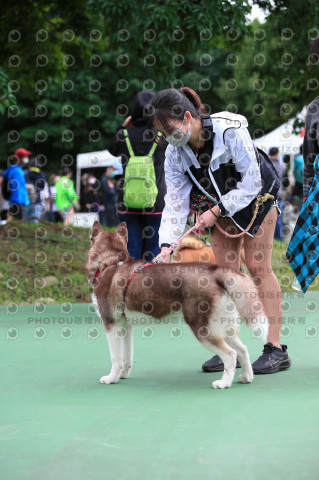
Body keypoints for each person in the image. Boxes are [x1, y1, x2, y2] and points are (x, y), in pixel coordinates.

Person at [149, 87, 292, 374]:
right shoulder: (175, 154)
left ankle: (276, 349)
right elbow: (175, 201)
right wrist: (166, 244)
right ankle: (229, 347)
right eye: (160, 132)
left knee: (257, 266)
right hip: (217, 204)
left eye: (168, 128)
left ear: (188, 117)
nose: (166, 136)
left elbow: (251, 182)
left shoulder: (230, 130)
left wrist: (215, 212)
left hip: (257, 197)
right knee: (225, 273)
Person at [108, 90, 167, 262]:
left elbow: (112, 149)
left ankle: (129, 287)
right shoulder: (162, 136)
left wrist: (123, 126)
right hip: (156, 201)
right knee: (154, 248)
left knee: (131, 249)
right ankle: (151, 287)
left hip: (128, 201)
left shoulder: (124, 135)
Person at [3, 148, 31, 220]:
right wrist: (19, 202)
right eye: (25, 156)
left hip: (16, 201)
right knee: (17, 225)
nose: (26, 158)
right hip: (18, 202)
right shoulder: (17, 171)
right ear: (20, 158)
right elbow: (16, 188)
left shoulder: (14, 169)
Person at [268, 147, 287, 241]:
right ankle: (280, 239)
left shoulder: (265, 164)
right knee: (279, 218)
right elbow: (286, 182)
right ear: (277, 154)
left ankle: (270, 238)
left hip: (267, 195)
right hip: (279, 194)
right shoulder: (283, 165)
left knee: (268, 220)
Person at [24, 158, 47, 222]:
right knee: (34, 222)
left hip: (26, 200)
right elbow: (42, 187)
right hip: (37, 200)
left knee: (24, 222)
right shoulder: (42, 175)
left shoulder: (25, 173)